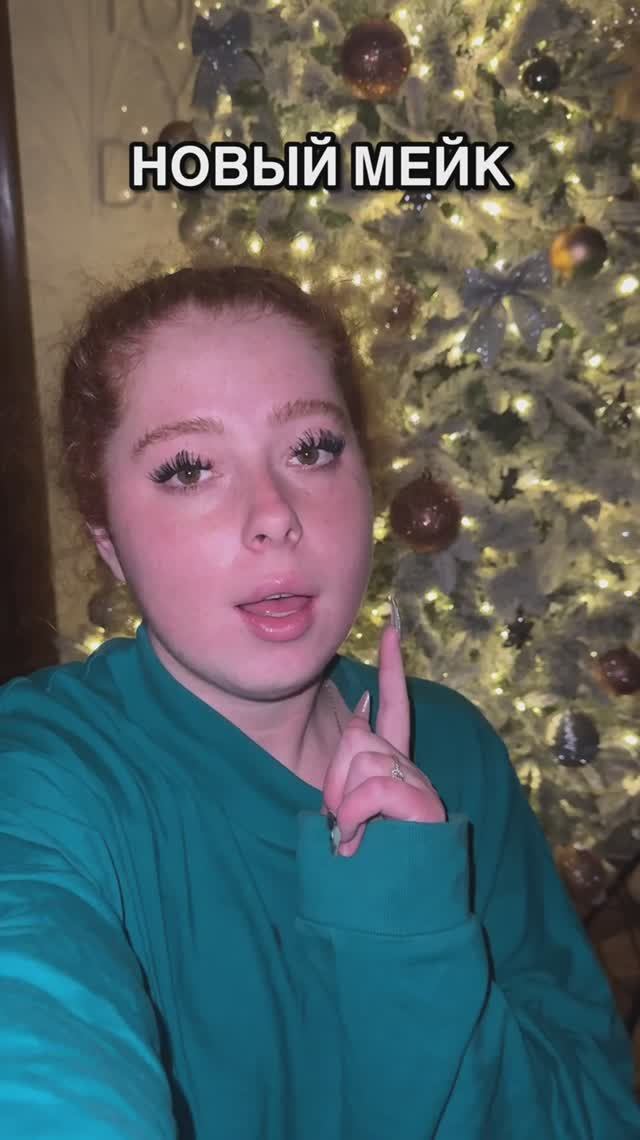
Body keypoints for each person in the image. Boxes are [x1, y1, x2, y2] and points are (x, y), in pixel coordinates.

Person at [0, 264, 637, 1140]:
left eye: (311, 450)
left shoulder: (454, 747)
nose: (274, 515)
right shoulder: (44, 769)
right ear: (107, 540)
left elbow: (590, 1113)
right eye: (188, 468)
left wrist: (411, 929)